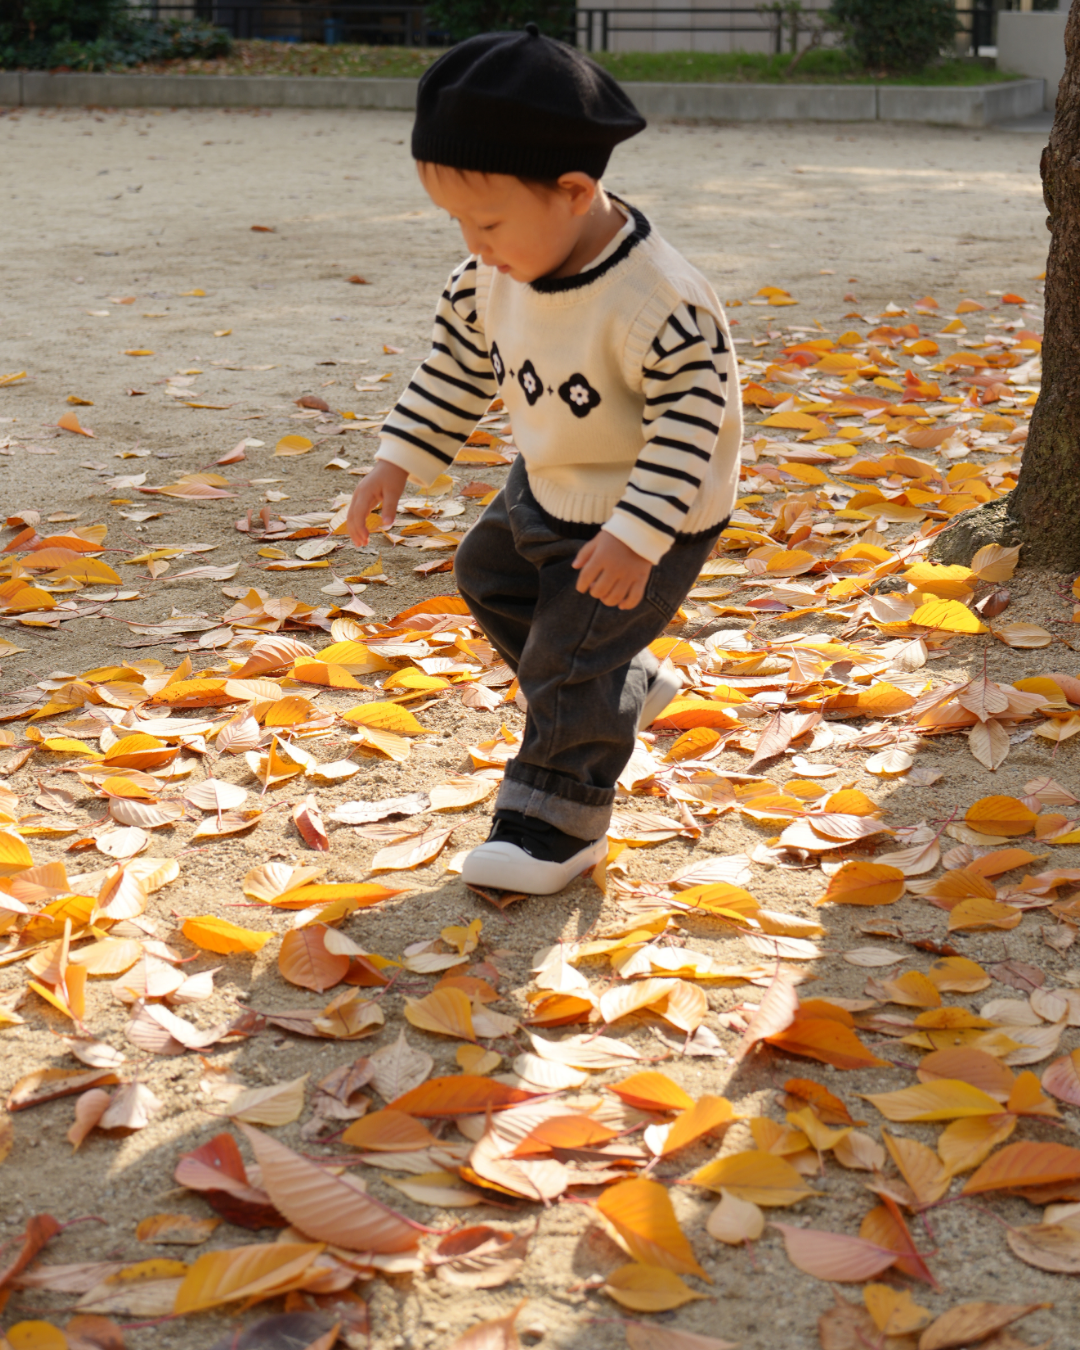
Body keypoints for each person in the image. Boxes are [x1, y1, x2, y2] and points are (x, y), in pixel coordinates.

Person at [346, 24, 741, 895]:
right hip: (552, 478)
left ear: (572, 190)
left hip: (653, 508)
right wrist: (398, 459)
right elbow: (454, 364)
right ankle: (620, 685)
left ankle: (553, 825)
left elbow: (693, 427)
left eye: (488, 220)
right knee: (489, 575)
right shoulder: (491, 274)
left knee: (564, 658)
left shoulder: (660, 301)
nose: (475, 242)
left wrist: (638, 538)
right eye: (457, 221)